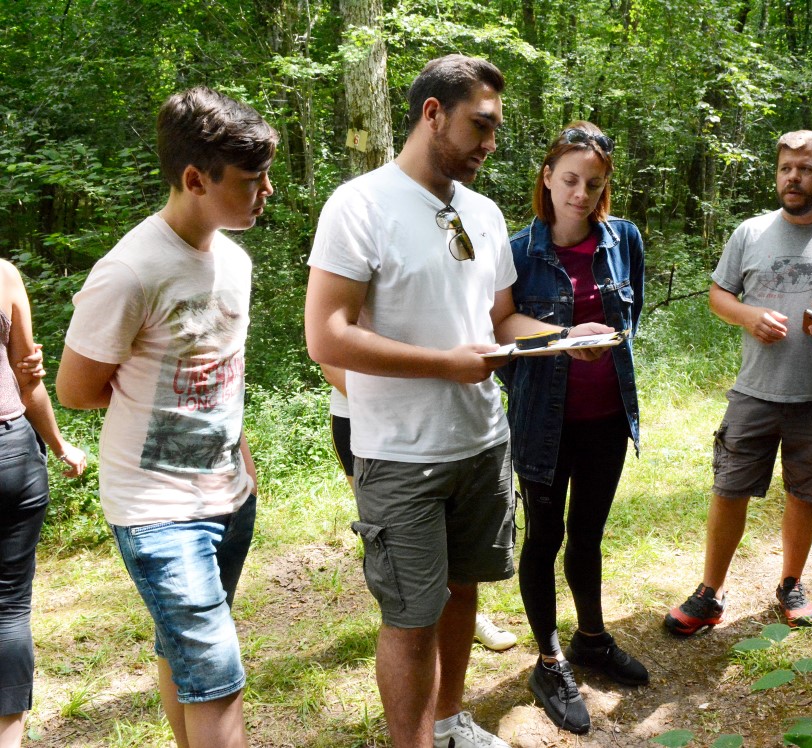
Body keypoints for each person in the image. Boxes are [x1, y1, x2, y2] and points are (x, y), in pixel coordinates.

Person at [304, 55, 609, 748]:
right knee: (411, 618)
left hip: (480, 442)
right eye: (481, 125)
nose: (491, 143)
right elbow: (326, 334)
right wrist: (445, 366)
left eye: (496, 129)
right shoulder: (360, 205)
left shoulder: (485, 212)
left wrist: (564, 337)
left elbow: (498, 323)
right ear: (432, 113)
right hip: (399, 452)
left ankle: (450, 723)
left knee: (463, 591)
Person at [56, 87, 276, 748]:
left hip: (230, 497)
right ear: (193, 179)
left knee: (185, 657)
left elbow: (218, 382)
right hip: (157, 512)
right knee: (219, 677)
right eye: (252, 180)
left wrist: (243, 461)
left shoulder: (234, 262)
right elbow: (76, 388)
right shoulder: (129, 271)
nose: (266, 191)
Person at [665, 130, 812, 634]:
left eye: (805, 168)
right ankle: (711, 591)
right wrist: (747, 316)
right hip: (755, 390)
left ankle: (791, 583)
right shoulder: (749, 232)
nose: (793, 177)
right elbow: (718, 296)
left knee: (805, 494)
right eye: (785, 168)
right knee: (728, 489)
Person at [502, 122, 646, 734]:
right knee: (544, 537)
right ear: (547, 177)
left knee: (588, 534)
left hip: (607, 416)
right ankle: (549, 658)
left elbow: (629, 315)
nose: (580, 194)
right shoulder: (517, 249)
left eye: (593, 183)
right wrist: (564, 339)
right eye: (569, 180)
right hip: (542, 420)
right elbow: (502, 324)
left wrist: (605, 339)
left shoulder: (624, 240)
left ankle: (590, 638)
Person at [319, 364, 517, 651]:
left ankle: (465, 619)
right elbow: (330, 361)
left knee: (455, 551)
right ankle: (413, 621)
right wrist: (402, 411)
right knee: (399, 544)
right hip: (367, 425)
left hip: (449, 422)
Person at [0, 261, 86, 748]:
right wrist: (60, 445)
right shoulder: (3, 276)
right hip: (9, 454)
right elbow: (26, 377)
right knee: (8, 608)